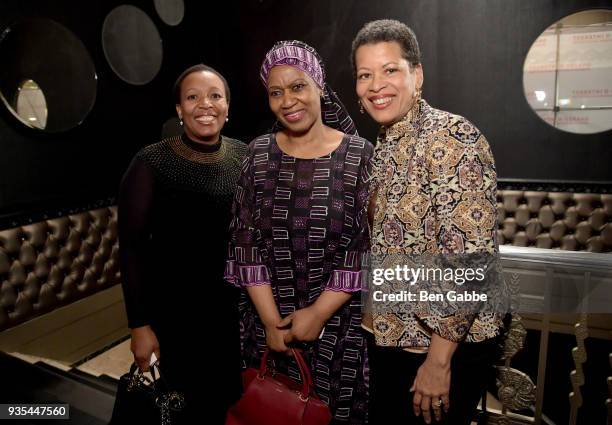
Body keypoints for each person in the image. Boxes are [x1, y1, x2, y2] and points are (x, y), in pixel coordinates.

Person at [351, 20, 504, 425]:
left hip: (438, 348)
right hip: (393, 336)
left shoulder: (451, 137)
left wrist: (438, 362)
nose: (376, 85)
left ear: (416, 75)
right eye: (365, 75)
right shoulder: (384, 143)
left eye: (390, 70)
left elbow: (471, 264)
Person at [225, 40, 372, 425]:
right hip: (267, 327)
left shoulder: (360, 156)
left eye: (298, 86)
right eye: (276, 92)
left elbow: (363, 248)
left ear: (320, 86)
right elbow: (245, 246)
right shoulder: (256, 155)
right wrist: (272, 323)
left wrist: (319, 313)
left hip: (339, 331)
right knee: (270, 411)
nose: (288, 100)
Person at [118, 64, 247, 424]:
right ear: (179, 109)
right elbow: (130, 247)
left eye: (215, 96)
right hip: (172, 315)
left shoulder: (243, 156)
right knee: (170, 409)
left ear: (227, 106)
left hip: (226, 314)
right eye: (193, 97)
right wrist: (139, 326)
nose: (205, 105)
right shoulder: (152, 162)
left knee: (218, 404)